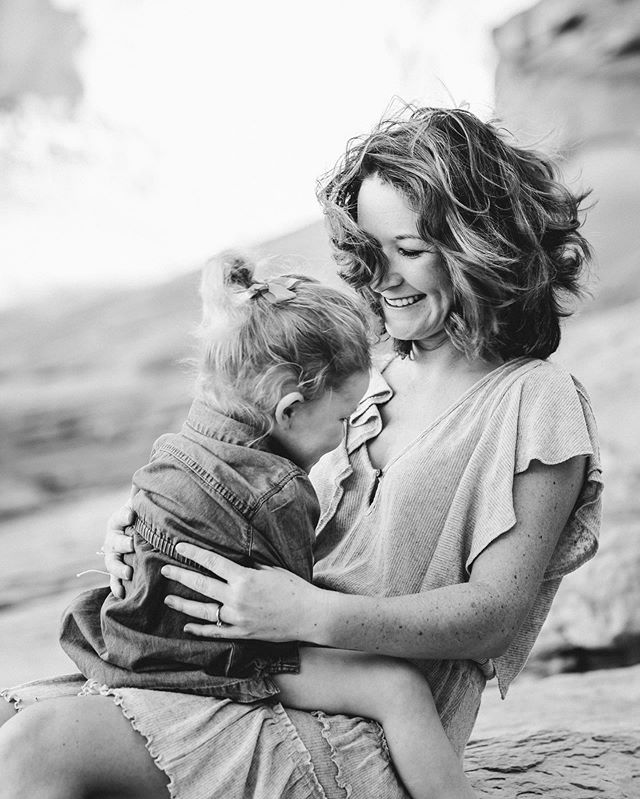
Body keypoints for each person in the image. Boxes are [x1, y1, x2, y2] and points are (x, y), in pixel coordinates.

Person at [0, 106, 602, 799]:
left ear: (479, 244)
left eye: (408, 250)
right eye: (372, 251)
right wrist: (151, 538)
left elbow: (495, 613)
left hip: (372, 714)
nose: (384, 278)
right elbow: (233, 487)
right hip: (257, 662)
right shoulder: (363, 376)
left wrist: (307, 613)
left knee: (39, 752)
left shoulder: (536, 398)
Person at [52, 249, 475, 799]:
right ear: (290, 410)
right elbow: (286, 615)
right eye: (344, 417)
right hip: (208, 656)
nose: (345, 434)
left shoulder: (181, 443)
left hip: (132, 632)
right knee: (398, 688)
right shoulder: (277, 491)